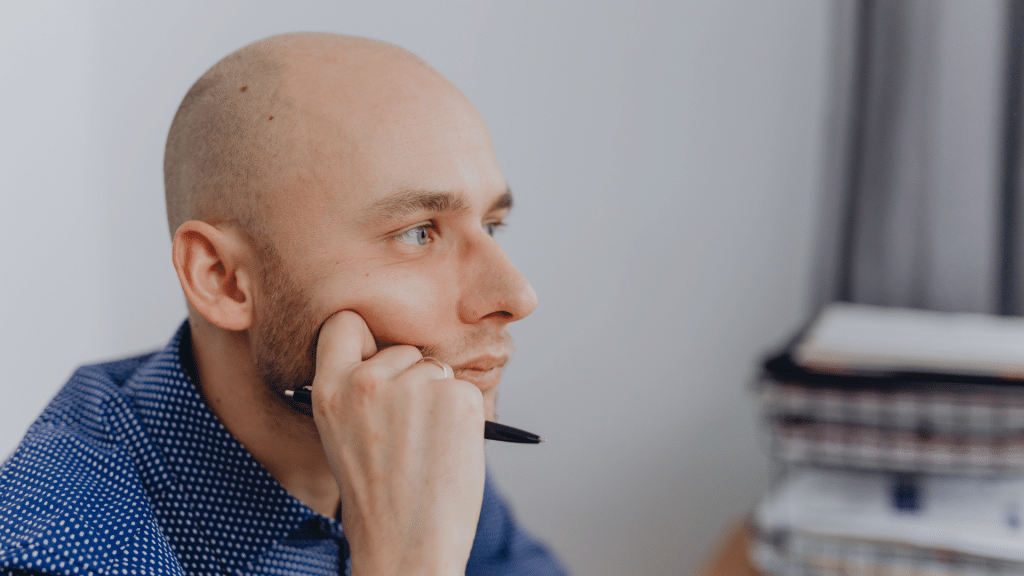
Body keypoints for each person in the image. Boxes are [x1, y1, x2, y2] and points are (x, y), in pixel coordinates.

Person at [0, 33, 567, 576]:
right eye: (418, 233)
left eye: (492, 225)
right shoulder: (65, 549)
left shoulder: (402, 419)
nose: (518, 296)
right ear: (224, 280)